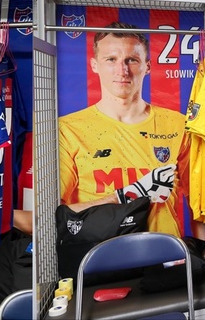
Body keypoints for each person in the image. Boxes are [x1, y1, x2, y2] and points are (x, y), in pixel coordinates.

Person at [58, 21, 190, 238]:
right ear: (94, 65)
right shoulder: (68, 129)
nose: (122, 70)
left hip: (165, 252)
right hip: (99, 254)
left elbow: (200, 199)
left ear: (148, 66)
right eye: (111, 59)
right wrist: (127, 194)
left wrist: (204, 251)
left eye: (132, 60)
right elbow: (55, 215)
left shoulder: (177, 124)